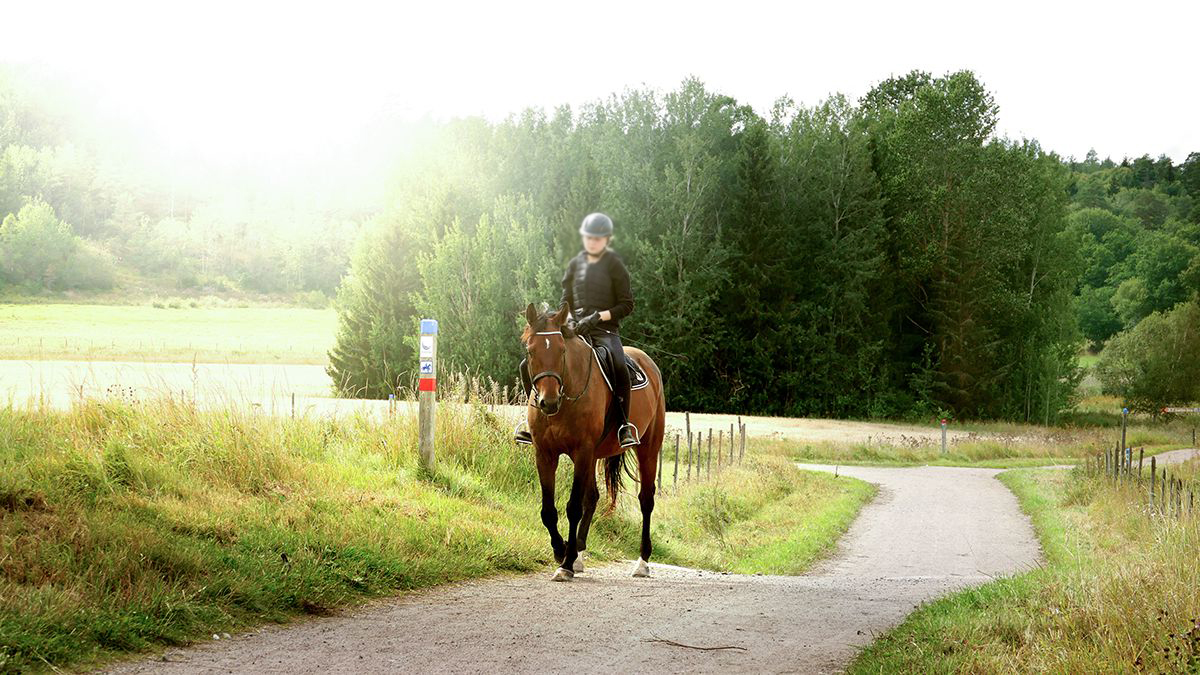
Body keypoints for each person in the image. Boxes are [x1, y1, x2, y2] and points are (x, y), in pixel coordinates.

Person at [515, 212, 638, 447]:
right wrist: (567, 320)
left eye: (598, 238)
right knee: (526, 364)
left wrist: (597, 317)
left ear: (606, 239)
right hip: (574, 328)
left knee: (619, 364)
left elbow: (627, 305)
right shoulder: (575, 265)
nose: (593, 242)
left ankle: (624, 426)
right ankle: (532, 418)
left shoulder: (615, 266)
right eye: (589, 238)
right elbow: (566, 301)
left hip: (605, 331)